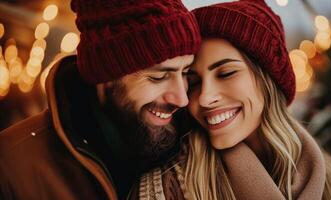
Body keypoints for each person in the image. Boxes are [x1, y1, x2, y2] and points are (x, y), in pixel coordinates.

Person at [135, 0, 331, 199]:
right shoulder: (167, 189)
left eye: (226, 73)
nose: (205, 98)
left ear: (268, 81)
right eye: (194, 81)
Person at [0, 0, 201, 199]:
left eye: (186, 73)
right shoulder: (10, 167)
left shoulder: (193, 142)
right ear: (106, 77)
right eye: (158, 77)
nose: (181, 99)